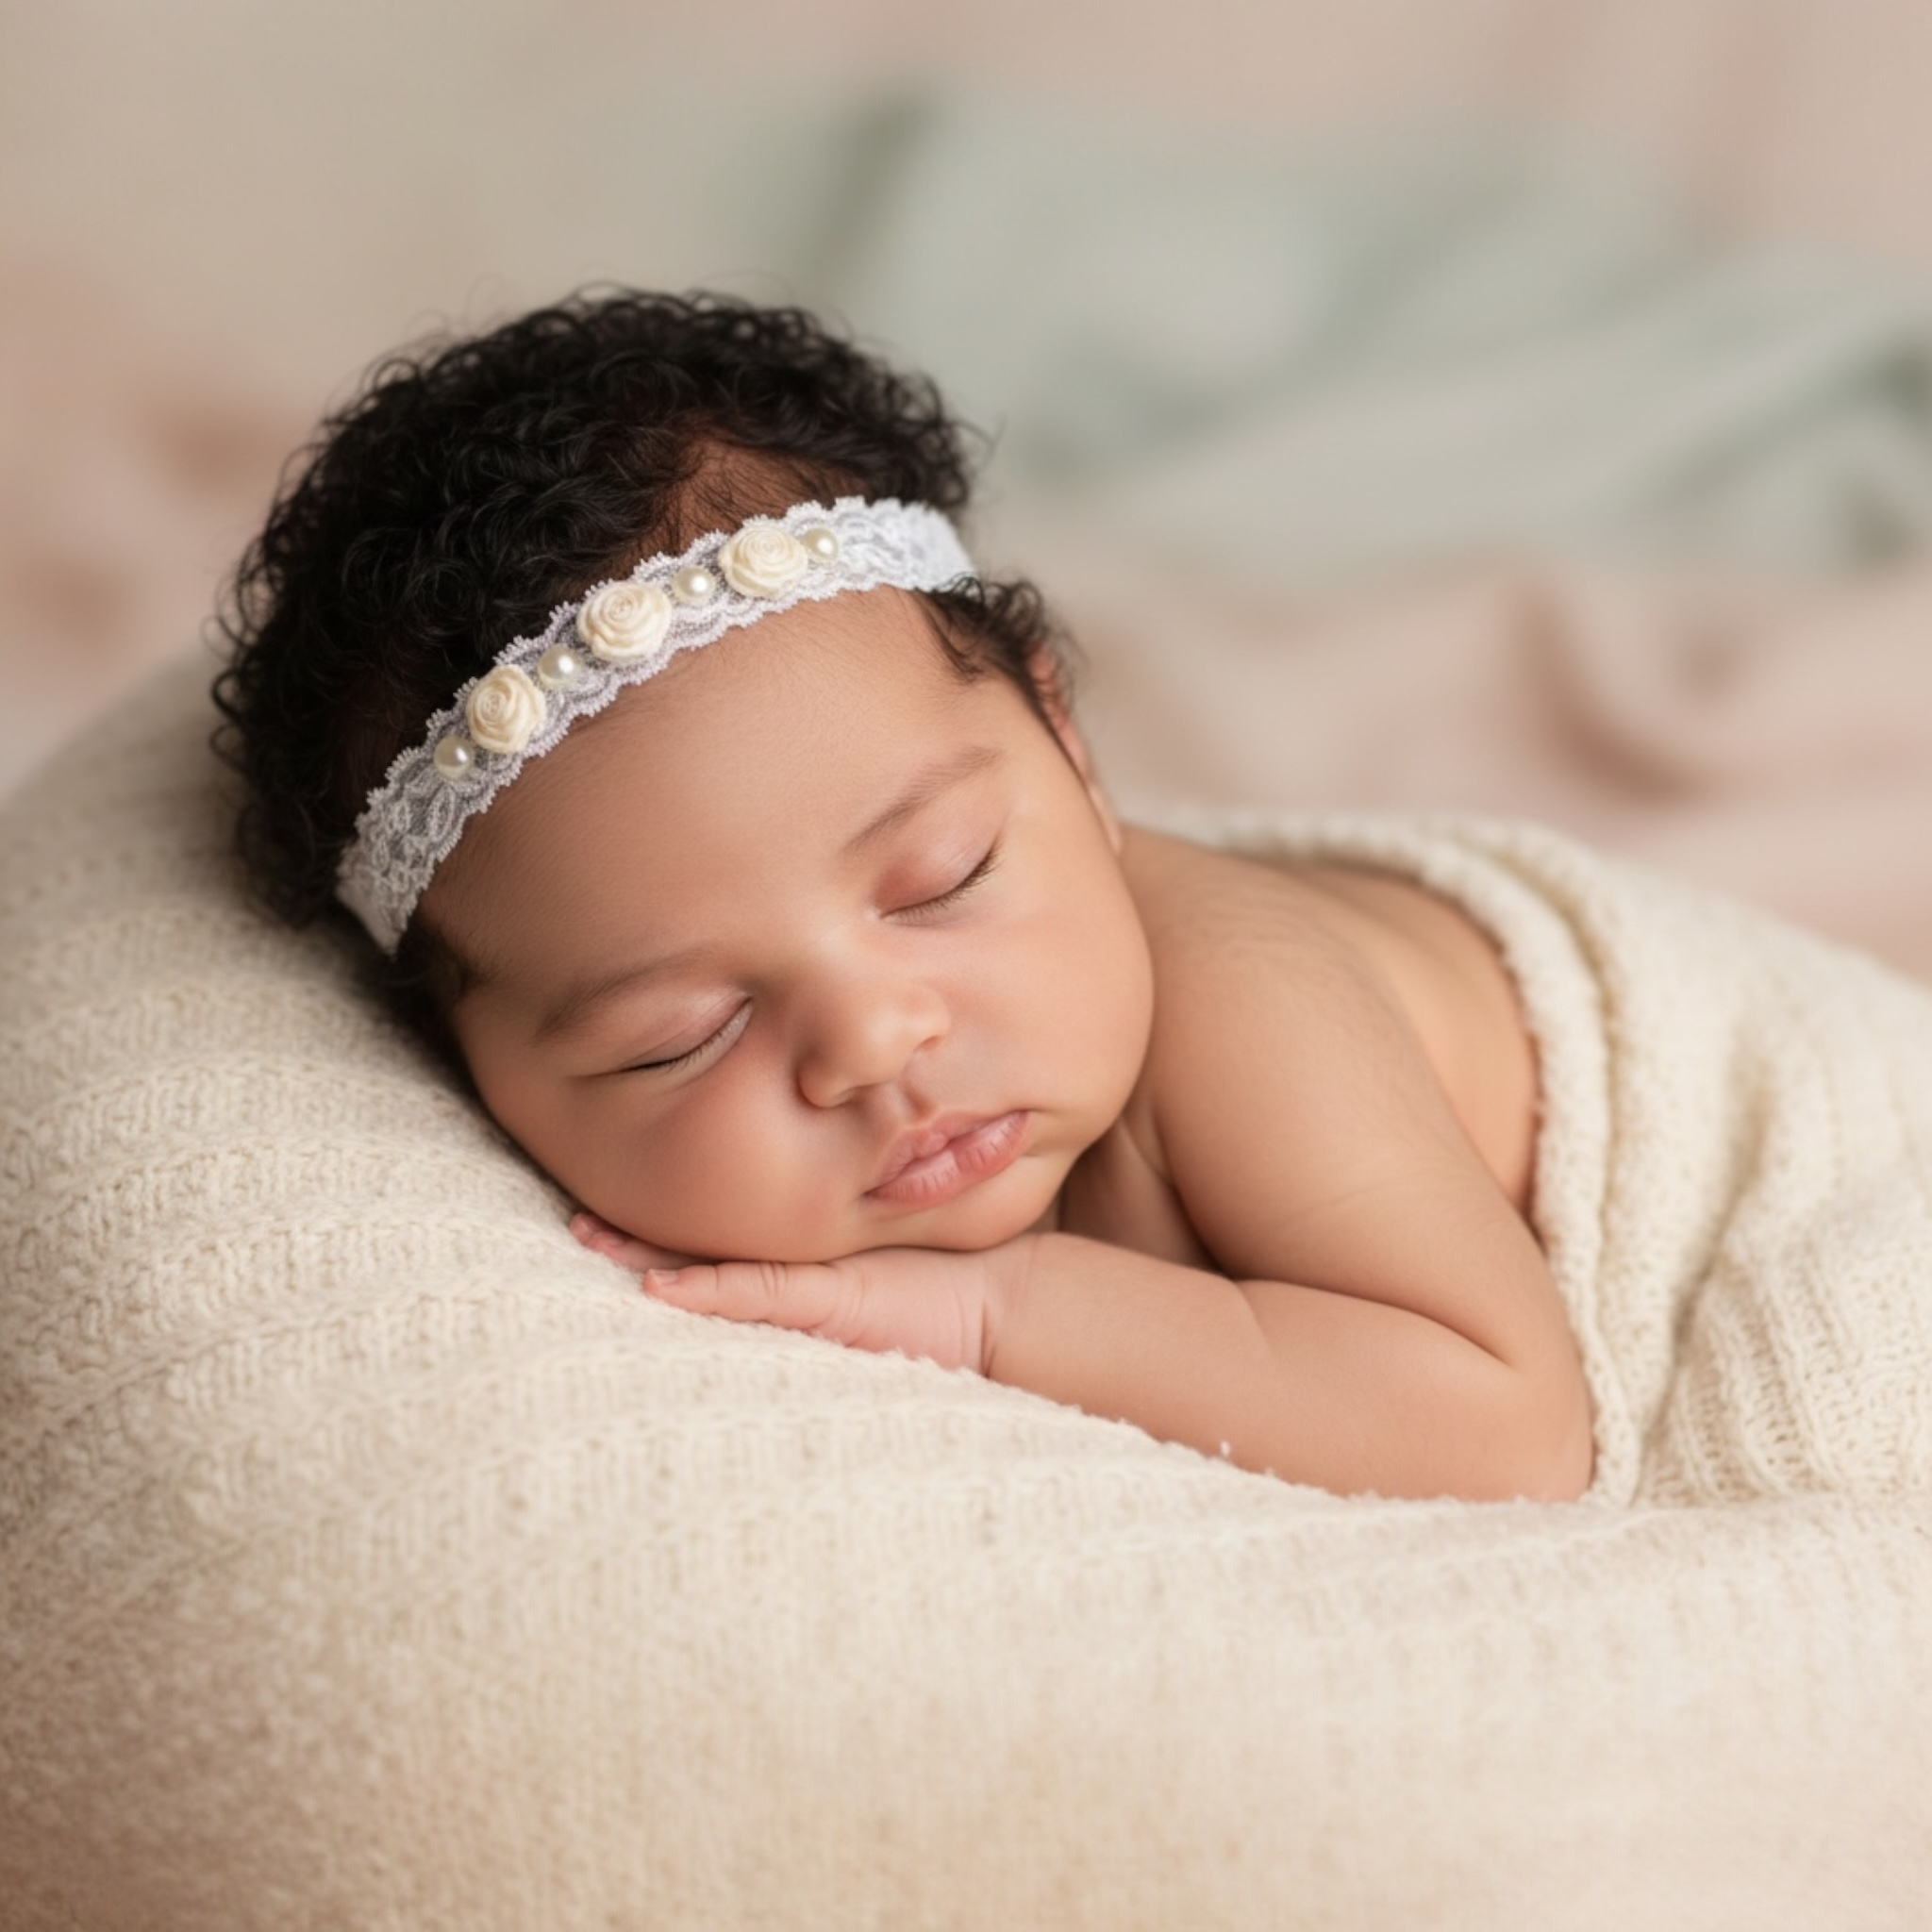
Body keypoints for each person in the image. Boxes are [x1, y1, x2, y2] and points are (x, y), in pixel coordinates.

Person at [216, 290, 1591, 1503]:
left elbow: (1505, 1432)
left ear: (1066, 741)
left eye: (944, 879)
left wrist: (998, 1314)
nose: (873, 1042)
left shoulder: (1243, 1000)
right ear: (464, 1070)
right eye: (678, 1036)